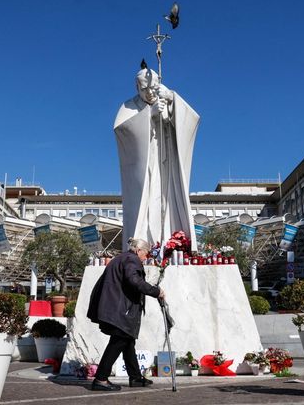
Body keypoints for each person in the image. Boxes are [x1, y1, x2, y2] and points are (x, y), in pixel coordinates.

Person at [114, 66, 200, 253]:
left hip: (168, 165)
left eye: (153, 87)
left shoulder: (167, 97)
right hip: (145, 169)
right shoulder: (129, 106)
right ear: (137, 87)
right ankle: (143, 245)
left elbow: (192, 120)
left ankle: (174, 242)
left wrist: (172, 101)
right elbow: (121, 130)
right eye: (144, 89)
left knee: (168, 201)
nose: (150, 92)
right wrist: (148, 115)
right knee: (146, 206)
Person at [87, 238, 164, 391]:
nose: (146, 257)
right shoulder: (132, 259)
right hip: (120, 309)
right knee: (118, 342)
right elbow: (133, 280)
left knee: (127, 342)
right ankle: (101, 379)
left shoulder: (121, 258)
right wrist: (156, 291)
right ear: (138, 250)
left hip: (116, 307)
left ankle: (135, 377)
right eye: (146, 254)